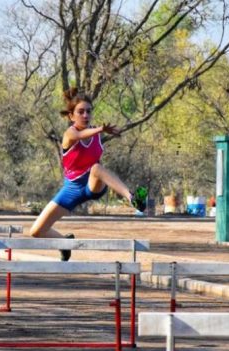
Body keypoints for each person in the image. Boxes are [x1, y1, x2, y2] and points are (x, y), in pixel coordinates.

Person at [29, 87, 147, 261]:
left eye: (89, 112)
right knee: (36, 231)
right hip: (72, 189)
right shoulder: (70, 133)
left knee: (96, 168)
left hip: (93, 184)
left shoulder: (96, 134)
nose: (85, 115)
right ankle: (64, 243)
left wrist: (99, 131)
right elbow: (80, 135)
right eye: (81, 112)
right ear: (71, 116)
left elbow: (92, 144)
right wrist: (100, 129)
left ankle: (132, 198)